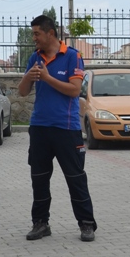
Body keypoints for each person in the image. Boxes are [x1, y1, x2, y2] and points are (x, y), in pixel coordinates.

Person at [17, 14, 97, 240]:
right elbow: (23, 92)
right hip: (40, 127)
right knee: (39, 178)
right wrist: (29, 77)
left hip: (67, 128)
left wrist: (47, 77)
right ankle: (40, 223)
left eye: (36, 33)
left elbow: (74, 90)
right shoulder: (34, 57)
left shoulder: (72, 56)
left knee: (75, 178)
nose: (34, 38)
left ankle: (87, 224)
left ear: (50, 33)